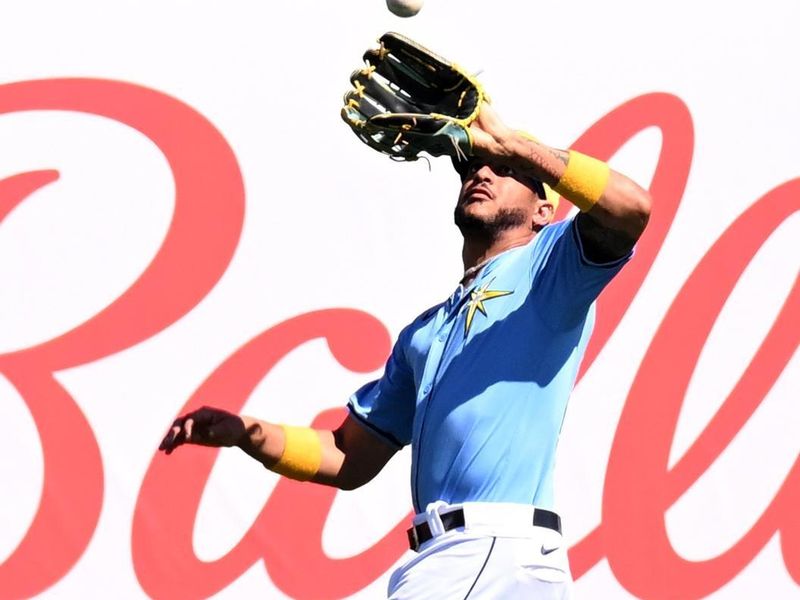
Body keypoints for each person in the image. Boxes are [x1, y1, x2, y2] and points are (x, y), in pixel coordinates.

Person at [160, 101, 651, 598]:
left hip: (491, 549)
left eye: (506, 171)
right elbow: (347, 456)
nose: (482, 170)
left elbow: (632, 208)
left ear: (544, 210)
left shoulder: (552, 269)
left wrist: (519, 147)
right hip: (460, 557)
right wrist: (247, 433)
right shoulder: (424, 333)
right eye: (473, 166)